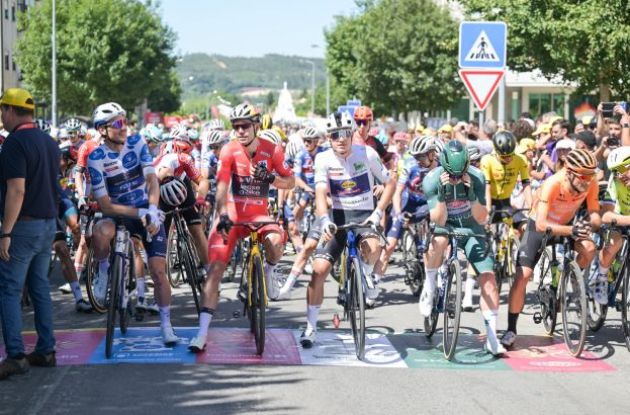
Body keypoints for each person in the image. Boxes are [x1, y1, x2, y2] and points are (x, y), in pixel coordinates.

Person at [188, 103, 295, 353]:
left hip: (259, 216)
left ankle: (268, 271)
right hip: (233, 215)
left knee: (277, 242)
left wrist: (271, 179)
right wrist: (222, 214)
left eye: (245, 125)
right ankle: (202, 332)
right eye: (235, 126)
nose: (240, 130)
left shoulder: (272, 150)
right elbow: (223, 186)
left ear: (256, 126)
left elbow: (289, 181)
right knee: (215, 269)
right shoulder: (229, 150)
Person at [299, 111, 396, 347]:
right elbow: (321, 193)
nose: (340, 139)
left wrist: (379, 210)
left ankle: (365, 271)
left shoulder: (368, 154)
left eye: (344, 134)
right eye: (334, 135)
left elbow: (390, 182)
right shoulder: (322, 159)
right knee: (318, 271)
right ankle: (311, 326)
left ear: (352, 134)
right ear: (329, 139)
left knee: (373, 248)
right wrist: (323, 219)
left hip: (364, 215)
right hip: (338, 217)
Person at [87, 102, 176, 346]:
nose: (123, 126)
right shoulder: (96, 158)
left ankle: (166, 324)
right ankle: (104, 270)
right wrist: (140, 212)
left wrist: (154, 210)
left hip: (148, 210)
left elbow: (152, 180)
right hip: (119, 213)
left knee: (158, 271)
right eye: (117, 123)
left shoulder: (137, 144)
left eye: (124, 121)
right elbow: (104, 205)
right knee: (99, 231)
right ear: (102, 130)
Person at [502, 149, 600, 348]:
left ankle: (570, 280)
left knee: (590, 248)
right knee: (523, 276)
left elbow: (594, 212)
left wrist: (593, 224)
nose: (587, 181)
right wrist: (571, 229)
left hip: (566, 225)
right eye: (583, 176)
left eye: (591, 175)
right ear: (569, 171)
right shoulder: (553, 183)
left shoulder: (590, 182)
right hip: (540, 227)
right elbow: (540, 224)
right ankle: (511, 328)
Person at [420, 140, 505, 355]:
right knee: (438, 241)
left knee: (488, 277)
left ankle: (492, 337)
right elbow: (438, 220)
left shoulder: (477, 177)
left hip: (471, 228)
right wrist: (441, 192)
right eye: (453, 175)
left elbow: (482, 217)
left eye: (460, 174)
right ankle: (430, 285)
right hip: (445, 226)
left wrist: (471, 195)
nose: (456, 178)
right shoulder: (431, 180)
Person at [0, 88, 60, 379]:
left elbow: (17, 189)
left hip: (23, 226)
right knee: (39, 289)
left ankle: (15, 356)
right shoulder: (49, 142)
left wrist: (5, 232)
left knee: (9, 290)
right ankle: (46, 350)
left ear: (10, 111)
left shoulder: (14, 143)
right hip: (48, 224)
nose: (1, 116)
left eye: (2, 110)